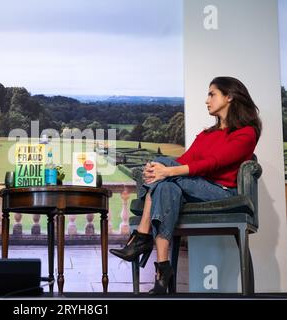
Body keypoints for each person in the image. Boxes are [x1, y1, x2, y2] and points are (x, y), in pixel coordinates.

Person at [110, 76, 262, 295]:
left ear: (229, 96)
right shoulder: (206, 135)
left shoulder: (246, 133)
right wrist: (160, 171)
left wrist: (166, 170)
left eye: (212, 94)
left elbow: (214, 163)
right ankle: (163, 271)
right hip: (193, 188)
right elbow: (183, 161)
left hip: (222, 192)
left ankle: (141, 238)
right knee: (165, 187)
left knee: (163, 169)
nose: (207, 100)